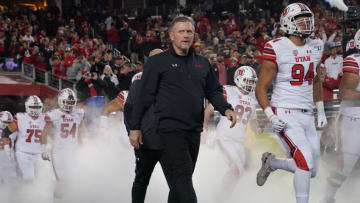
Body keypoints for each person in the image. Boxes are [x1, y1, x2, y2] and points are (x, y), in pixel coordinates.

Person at [129, 16, 236, 203]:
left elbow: (214, 91)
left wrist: (226, 109)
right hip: (169, 129)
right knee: (183, 176)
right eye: (181, 31)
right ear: (171, 35)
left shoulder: (203, 63)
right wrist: (135, 127)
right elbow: (143, 97)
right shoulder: (158, 62)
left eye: (189, 31)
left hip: (194, 130)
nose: (186, 35)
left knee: (180, 182)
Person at [255, 3, 327, 203]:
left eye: (308, 19)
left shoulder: (316, 44)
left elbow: (315, 79)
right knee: (304, 162)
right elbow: (260, 88)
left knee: (311, 170)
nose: (306, 24)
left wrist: (320, 110)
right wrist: (271, 115)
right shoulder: (276, 47)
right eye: (300, 20)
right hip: (285, 111)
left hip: (307, 113)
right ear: (288, 23)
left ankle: (272, 162)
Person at [204, 66, 260, 201]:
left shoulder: (252, 99)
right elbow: (209, 110)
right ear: (239, 79)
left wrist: (256, 127)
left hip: (239, 142)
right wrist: (204, 127)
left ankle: (223, 194)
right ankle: (219, 197)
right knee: (236, 169)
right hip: (224, 138)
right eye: (248, 81)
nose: (251, 84)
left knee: (240, 172)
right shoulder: (228, 90)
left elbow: (252, 120)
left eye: (252, 81)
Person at [320, 29, 360, 203]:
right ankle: (328, 198)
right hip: (353, 120)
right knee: (345, 165)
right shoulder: (354, 61)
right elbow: (345, 92)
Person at [40, 88, 87, 200]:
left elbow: (81, 129)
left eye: (71, 102)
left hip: (73, 151)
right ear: (61, 101)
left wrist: (84, 143)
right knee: (61, 182)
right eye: (67, 102)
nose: (69, 105)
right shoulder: (53, 114)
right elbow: (44, 133)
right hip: (59, 153)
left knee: (72, 181)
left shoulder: (79, 113)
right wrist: (43, 148)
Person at [1, 96, 45, 181]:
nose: (35, 109)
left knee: (40, 179)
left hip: (38, 153)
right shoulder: (21, 118)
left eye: (37, 107)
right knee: (29, 178)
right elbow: (6, 132)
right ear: (27, 107)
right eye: (32, 107)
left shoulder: (45, 118)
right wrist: (7, 148)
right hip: (24, 153)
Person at [0, 111, 17, 183]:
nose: (7, 124)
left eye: (9, 123)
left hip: (9, 158)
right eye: (5, 122)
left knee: (12, 180)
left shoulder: (15, 131)